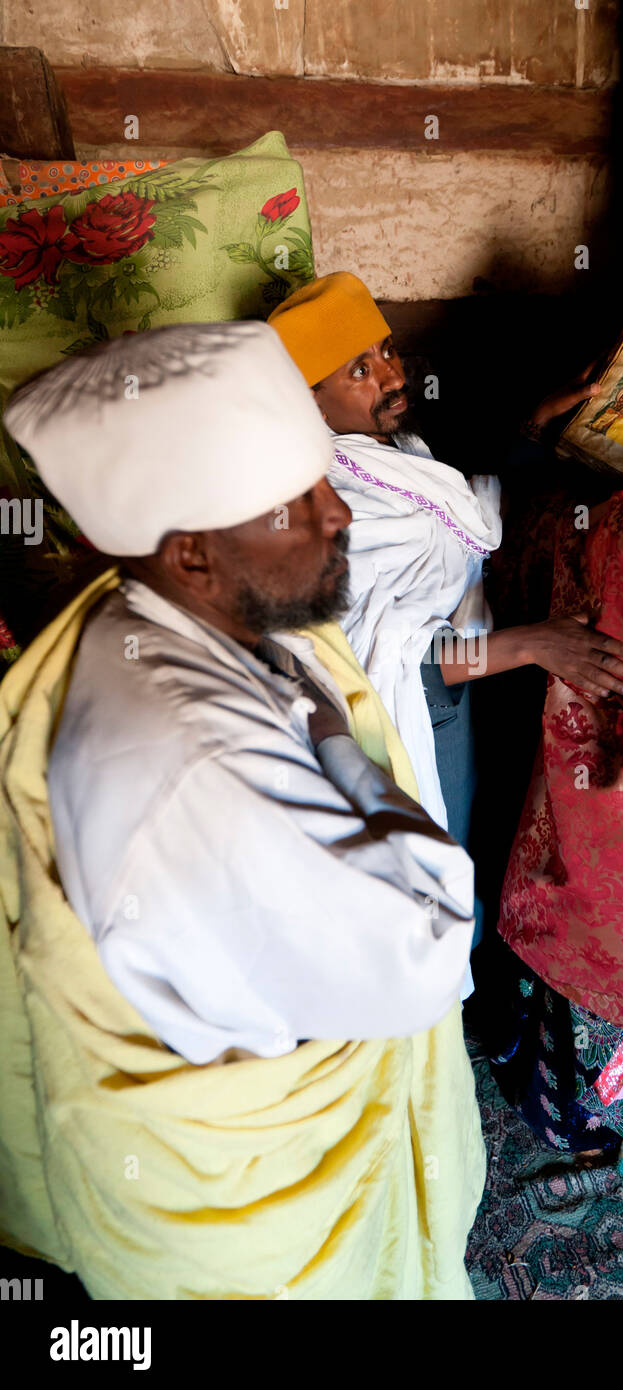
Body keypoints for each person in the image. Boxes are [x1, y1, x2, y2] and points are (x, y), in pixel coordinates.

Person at [0, 320, 485, 1299]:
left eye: (323, 480)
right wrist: (342, 751)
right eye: (291, 505)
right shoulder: (190, 758)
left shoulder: (193, 620)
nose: (338, 512)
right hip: (247, 1216)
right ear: (189, 556)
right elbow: (421, 953)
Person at [267, 273, 623, 859]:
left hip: (473, 683)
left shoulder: (393, 452)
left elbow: (464, 518)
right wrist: (533, 646)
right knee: (447, 873)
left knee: (492, 850)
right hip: (425, 706)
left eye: (386, 350)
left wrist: (535, 425)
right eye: (358, 371)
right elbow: (398, 654)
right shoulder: (329, 503)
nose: (392, 377)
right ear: (309, 399)